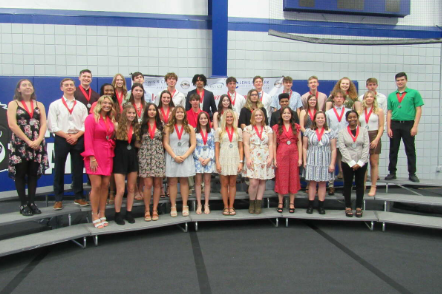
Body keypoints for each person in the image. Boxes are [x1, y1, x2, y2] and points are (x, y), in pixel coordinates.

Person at [7, 79, 49, 216]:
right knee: (20, 174)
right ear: (18, 89)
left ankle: (32, 202)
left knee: (33, 174)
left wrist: (38, 140)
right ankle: (23, 204)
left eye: (29, 85)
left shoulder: (39, 104)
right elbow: (12, 125)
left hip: (37, 144)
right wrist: (28, 141)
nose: (27, 87)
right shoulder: (14, 104)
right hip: (21, 144)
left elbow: (43, 124)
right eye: (24, 85)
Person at [47, 78, 89, 210]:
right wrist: (66, 136)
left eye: (71, 85)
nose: (69, 87)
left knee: (77, 169)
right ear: (61, 88)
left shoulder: (81, 106)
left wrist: (76, 136)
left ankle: (78, 196)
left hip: (78, 138)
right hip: (62, 138)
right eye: (66, 85)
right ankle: (58, 199)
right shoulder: (55, 105)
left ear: (75, 88)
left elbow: (85, 124)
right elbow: (52, 125)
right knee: (59, 168)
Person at [81, 96, 116, 228]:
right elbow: (88, 138)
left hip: (107, 154)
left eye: (109, 103)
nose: (107, 105)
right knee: (96, 185)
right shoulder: (91, 118)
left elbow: (110, 136)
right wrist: (91, 157)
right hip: (94, 154)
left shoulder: (109, 119)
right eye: (104, 103)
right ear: (99, 104)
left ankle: (102, 213)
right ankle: (94, 214)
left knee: (105, 184)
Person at [385, 72, 423, 183]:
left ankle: (412, 173)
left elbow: (418, 109)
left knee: (410, 149)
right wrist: (389, 127)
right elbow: (389, 112)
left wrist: (415, 126)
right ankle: (392, 172)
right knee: (393, 149)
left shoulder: (414, 93)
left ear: (406, 80)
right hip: (395, 123)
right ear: (395, 82)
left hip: (408, 123)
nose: (400, 82)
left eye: (402, 80)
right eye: (398, 80)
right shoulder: (392, 95)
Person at [163, 106, 196, 217]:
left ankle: (184, 205)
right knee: (172, 182)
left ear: (184, 114)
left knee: (184, 182)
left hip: (185, 156)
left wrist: (185, 155)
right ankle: (173, 206)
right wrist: (174, 156)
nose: (180, 114)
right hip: (172, 155)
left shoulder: (189, 127)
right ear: (174, 114)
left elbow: (193, 144)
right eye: (177, 112)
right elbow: (166, 143)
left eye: (181, 112)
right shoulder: (168, 127)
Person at [303, 111, 337, 214]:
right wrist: (304, 161)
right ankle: (310, 205)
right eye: (318, 118)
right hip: (312, 160)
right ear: (315, 119)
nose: (320, 119)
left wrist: (332, 163)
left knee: (322, 184)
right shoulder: (308, 131)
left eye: (322, 118)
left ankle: (321, 206)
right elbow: (304, 147)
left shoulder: (330, 132)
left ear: (325, 119)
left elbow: (334, 149)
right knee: (312, 183)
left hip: (325, 161)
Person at [338, 110, 370, 218]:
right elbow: (342, 148)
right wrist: (351, 163)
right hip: (347, 162)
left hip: (362, 161)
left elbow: (366, 146)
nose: (352, 119)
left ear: (357, 118)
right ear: (347, 119)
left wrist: (361, 162)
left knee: (360, 184)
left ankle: (359, 206)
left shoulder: (364, 131)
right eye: (350, 117)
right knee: (347, 184)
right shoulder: (342, 132)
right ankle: (348, 206)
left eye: (354, 117)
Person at [112, 104, 140, 225]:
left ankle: (129, 212)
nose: (131, 115)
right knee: (120, 190)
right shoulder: (117, 126)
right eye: (129, 113)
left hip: (132, 158)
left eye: (133, 113)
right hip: (119, 159)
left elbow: (138, 144)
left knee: (131, 188)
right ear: (124, 114)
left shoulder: (137, 127)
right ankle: (117, 214)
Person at [243, 109, 274, 214]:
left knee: (262, 181)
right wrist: (248, 158)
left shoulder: (268, 129)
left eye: (260, 115)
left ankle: (258, 203)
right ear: (253, 117)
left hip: (265, 156)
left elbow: (271, 144)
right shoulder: (248, 129)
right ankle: (252, 202)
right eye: (256, 115)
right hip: (253, 156)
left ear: (263, 116)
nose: (258, 117)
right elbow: (246, 144)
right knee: (253, 182)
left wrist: (271, 157)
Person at [138, 103, 165, 221]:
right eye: (150, 109)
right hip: (145, 157)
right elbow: (136, 141)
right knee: (148, 184)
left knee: (158, 184)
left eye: (154, 110)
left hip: (158, 156)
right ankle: (147, 210)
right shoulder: (141, 125)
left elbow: (165, 142)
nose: (152, 111)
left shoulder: (161, 125)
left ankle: (155, 209)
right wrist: (143, 149)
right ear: (146, 111)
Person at [273, 107, 302, 213]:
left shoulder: (297, 127)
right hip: (281, 153)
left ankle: (291, 203)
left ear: (291, 115)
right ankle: (280, 202)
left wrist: (300, 157)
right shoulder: (276, 127)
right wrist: (274, 158)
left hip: (294, 154)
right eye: (284, 113)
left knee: (293, 177)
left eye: (288, 113)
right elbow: (273, 144)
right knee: (281, 178)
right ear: (281, 115)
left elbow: (299, 142)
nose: (286, 115)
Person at [215, 109, 244, 216]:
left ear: (234, 118)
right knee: (224, 184)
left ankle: (231, 206)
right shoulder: (219, 131)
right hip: (223, 159)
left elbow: (241, 147)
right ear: (224, 118)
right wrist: (217, 162)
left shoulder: (239, 131)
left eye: (231, 117)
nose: (229, 119)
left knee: (232, 184)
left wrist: (241, 162)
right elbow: (217, 148)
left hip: (235, 158)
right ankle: (225, 206)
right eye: (227, 117)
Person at [325, 89, 351, 194]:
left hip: (345, 140)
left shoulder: (348, 112)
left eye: (341, 97)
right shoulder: (328, 113)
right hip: (333, 140)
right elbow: (326, 127)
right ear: (333, 99)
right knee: (332, 163)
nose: (339, 99)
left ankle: (346, 185)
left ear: (344, 99)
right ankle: (331, 185)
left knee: (346, 163)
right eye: (337, 97)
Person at [358, 91, 384, 196]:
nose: (369, 98)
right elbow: (358, 126)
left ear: (374, 99)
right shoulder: (360, 111)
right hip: (363, 136)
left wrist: (377, 139)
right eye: (367, 97)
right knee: (363, 163)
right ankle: (362, 185)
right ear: (363, 99)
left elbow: (382, 126)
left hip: (374, 135)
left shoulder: (379, 111)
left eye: (371, 97)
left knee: (374, 163)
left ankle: (373, 186)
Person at [193, 112, 215, 214]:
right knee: (198, 182)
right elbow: (192, 146)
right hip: (198, 160)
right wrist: (199, 158)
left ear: (208, 120)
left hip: (208, 160)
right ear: (198, 120)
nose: (203, 120)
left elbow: (213, 147)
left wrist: (209, 158)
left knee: (207, 182)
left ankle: (206, 204)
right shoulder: (194, 131)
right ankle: (199, 204)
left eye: (205, 118)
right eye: (201, 118)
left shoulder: (212, 132)